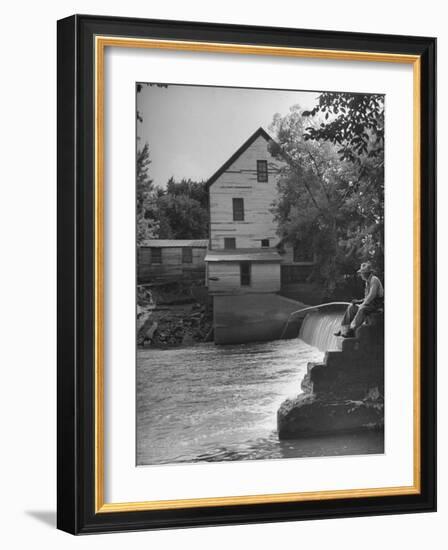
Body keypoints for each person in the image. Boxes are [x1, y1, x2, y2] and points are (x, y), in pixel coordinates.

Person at [334, 262, 384, 338]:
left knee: (361, 309)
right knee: (351, 307)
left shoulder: (374, 280)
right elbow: (367, 297)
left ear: (366, 273)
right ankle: (343, 330)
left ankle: (351, 330)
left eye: (361, 273)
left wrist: (362, 304)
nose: (360, 275)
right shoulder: (367, 282)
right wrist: (358, 301)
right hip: (369, 304)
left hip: (376, 306)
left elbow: (371, 296)